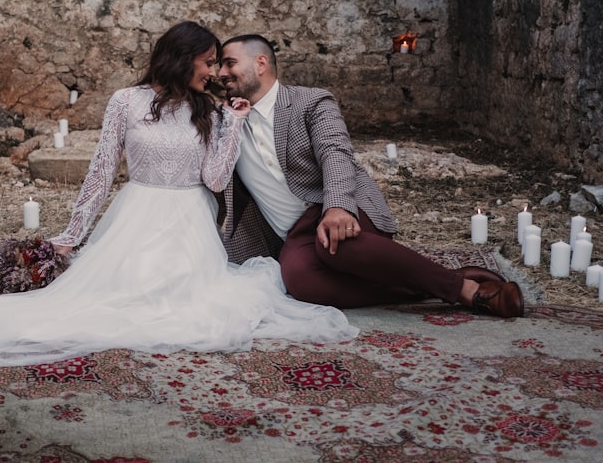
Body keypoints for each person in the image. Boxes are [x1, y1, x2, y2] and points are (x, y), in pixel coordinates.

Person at [0, 21, 358, 367]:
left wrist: (231, 126)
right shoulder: (126, 102)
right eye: (208, 62)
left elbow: (215, 181)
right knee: (109, 298)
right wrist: (71, 235)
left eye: (217, 64)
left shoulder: (212, 111)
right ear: (181, 56)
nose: (214, 73)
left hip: (189, 219)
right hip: (137, 212)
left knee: (181, 305)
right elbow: (102, 171)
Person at [217, 34, 524, 318]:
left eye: (229, 63)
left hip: (340, 206)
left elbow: (335, 152)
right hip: (295, 234)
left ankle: (467, 292)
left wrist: (337, 206)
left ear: (261, 64)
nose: (220, 73)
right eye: (217, 66)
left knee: (335, 244)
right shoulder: (224, 121)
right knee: (298, 281)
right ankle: (441, 279)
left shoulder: (310, 102)